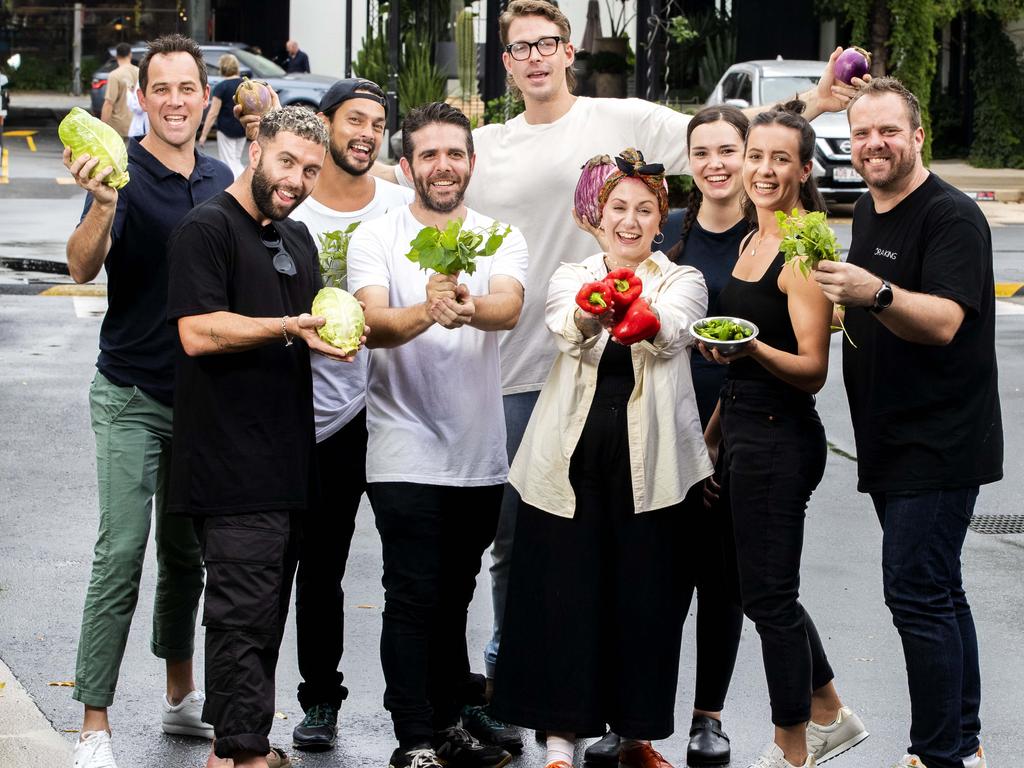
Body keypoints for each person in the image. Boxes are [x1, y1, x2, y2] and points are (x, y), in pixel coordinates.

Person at [397, 3, 867, 754]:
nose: (536, 56)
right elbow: (433, 189)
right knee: (533, 559)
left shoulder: (633, 137)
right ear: (506, 60)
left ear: (569, 48)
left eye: (548, 42)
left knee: (692, 581)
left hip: (692, 418)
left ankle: (687, 722)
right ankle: (518, 694)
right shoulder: (488, 149)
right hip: (536, 381)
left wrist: (813, 104)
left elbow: (728, 135)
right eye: (520, 47)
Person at [491, 149, 712, 768]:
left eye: (646, 209)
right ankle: (561, 738)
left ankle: (637, 736)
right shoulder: (571, 274)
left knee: (645, 600)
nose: (631, 221)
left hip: (655, 465)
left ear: (661, 219)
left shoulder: (682, 279)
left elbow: (674, 332)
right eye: (619, 207)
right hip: (570, 457)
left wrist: (639, 313)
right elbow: (566, 327)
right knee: (563, 593)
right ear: (599, 214)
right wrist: (596, 308)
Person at [812, 78, 1002, 768]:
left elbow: (946, 321)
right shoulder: (868, 208)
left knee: (916, 593)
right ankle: (965, 741)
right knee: (939, 589)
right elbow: (865, 309)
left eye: (889, 131)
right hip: (889, 438)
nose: (874, 145)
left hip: (942, 438)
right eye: (862, 134)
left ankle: (935, 754)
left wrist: (877, 291)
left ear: (918, 136)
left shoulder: (950, 217)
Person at [165, 106, 360, 768]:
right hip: (228, 464)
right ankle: (243, 754)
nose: (298, 179)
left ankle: (232, 745)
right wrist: (286, 325)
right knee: (242, 615)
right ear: (255, 150)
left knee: (259, 614)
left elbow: (311, 328)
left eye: (310, 169)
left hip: (286, 465)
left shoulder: (297, 238)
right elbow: (196, 331)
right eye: (287, 163)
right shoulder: (206, 229)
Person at [63, 34, 233, 768]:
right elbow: (80, 265)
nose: (173, 100)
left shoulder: (222, 176)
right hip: (130, 392)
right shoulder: (118, 171)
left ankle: (179, 695)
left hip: (198, 399)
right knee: (123, 550)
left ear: (204, 97)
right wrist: (101, 205)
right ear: (142, 98)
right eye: (159, 88)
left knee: (186, 554)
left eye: (185, 88)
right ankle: (94, 722)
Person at [347, 101, 527, 768]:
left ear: (471, 163)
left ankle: (447, 726)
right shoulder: (377, 236)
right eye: (429, 154)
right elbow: (374, 323)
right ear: (407, 165)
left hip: (479, 455)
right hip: (402, 447)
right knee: (415, 591)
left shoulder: (499, 236)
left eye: (455, 153)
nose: (443, 165)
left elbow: (508, 307)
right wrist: (428, 307)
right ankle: (415, 740)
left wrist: (468, 305)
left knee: (455, 594)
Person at [700, 103, 868, 768]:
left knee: (769, 597)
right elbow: (738, 364)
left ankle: (792, 747)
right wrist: (710, 439)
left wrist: (751, 350)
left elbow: (811, 370)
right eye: (756, 156)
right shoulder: (751, 240)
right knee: (760, 589)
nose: (764, 169)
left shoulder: (803, 249)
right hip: (740, 428)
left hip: (780, 437)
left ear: (802, 169)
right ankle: (829, 711)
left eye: (779, 159)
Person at [287, 77, 412, 753]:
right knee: (321, 567)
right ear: (325, 123)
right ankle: (319, 700)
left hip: (396, 409)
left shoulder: (401, 204)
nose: (366, 132)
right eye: (354, 119)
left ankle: (420, 708)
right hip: (323, 419)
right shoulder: (294, 207)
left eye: (377, 123)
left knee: (415, 569)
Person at [660, 105, 751, 767]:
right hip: (663, 428)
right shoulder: (667, 233)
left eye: (729, 150)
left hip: (740, 430)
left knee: (723, 583)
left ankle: (708, 717)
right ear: (689, 161)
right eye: (703, 152)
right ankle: (636, 716)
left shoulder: (766, 237)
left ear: (749, 155)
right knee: (652, 578)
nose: (716, 164)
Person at [199, 53, 247, 177]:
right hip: (243, 128)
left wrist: (203, 135)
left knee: (228, 162)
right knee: (236, 159)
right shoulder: (245, 85)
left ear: (222, 68)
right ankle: (244, 182)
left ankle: (237, 188)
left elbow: (213, 113)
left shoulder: (221, 87)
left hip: (226, 130)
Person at [100, 42, 138, 141]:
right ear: (130, 54)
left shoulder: (115, 75)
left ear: (116, 56)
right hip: (137, 124)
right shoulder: (140, 72)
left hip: (118, 127)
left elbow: (109, 103)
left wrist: (102, 127)